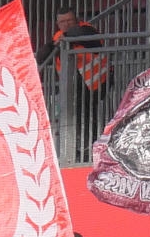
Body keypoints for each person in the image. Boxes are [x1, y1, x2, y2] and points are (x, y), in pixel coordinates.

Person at [35, 8, 109, 158]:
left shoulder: (87, 29)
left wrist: (65, 38)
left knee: (87, 115)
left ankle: (90, 149)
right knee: (76, 115)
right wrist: (54, 45)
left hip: (97, 82)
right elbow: (43, 56)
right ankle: (79, 149)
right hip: (74, 85)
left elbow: (81, 35)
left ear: (77, 19)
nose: (66, 24)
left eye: (69, 20)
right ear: (57, 23)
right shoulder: (58, 37)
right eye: (62, 22)